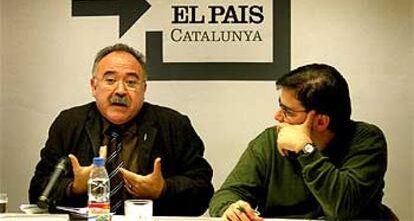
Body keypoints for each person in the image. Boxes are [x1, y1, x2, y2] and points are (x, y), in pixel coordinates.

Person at [29, 43, 214, 216]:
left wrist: (163, 188)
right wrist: (74, 187)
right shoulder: (69, 123)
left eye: (131, 82)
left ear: (144, 89)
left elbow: (203, 191)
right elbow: (38, 191)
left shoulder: (173, 125)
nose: (120, 90)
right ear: (94, 86)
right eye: (110, 80)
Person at [209, 63, 389, 220]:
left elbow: (342, 209)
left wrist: (305, 149)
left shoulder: (367, 140)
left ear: (320, 121)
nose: (277, 116)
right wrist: (231, 208)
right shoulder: (270, 140)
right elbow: (226, 194)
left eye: (288, 111)